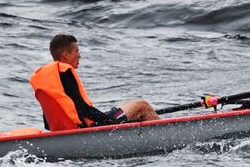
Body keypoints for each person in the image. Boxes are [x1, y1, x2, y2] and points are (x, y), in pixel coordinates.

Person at [29, 34, 158, 131]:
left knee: (128, 104)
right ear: (66, 55)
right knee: (142, 105)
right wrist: (110, 122)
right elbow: (82, 108)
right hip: (87, 128)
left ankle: (146, 134)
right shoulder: (65, 72)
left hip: (72, 129)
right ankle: (164, 135)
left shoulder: (51, 79)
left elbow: (48, 122)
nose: (79, 55)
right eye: (76, 51)